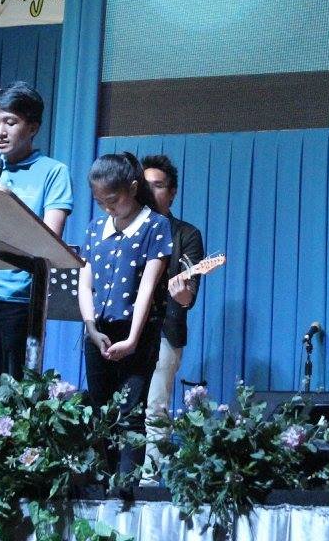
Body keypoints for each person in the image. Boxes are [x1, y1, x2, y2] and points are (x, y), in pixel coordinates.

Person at [0, 81, 72, 379]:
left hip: (18, 300)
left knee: (16, 391)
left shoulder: (53, 172)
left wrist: (4, 206)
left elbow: (49, 240)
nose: (0, 132)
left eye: (10, 122)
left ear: (32, 127)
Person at [78, 152, 173, 474]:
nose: (107, 208)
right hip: (98, 334)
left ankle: (126, 489)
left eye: (113, 200)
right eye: (100, 202)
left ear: (132, 188)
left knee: (131, 413)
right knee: (100, 411)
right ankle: (102, 484)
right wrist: (91, 327)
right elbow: (85, 282)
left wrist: (132, 339)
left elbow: (147, 287)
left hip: (137, 334)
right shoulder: (95, 229)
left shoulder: (155, 225)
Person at [140, 154, 205, 470]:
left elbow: (188, 297)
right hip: (121, 330)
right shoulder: (126, 228)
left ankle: (149, 481)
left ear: (173, 192)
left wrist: (182, 292)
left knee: (155, 408)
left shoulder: (186, 235)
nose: (151, 192)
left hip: (164, 331)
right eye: (145, 186)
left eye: (159, 186)